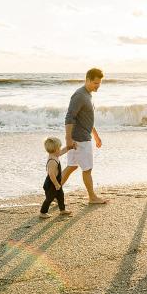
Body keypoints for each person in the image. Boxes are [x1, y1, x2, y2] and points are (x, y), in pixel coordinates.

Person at [61, 68, 107, 204]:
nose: (97, 86)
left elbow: (87, 119)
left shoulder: (88, 94)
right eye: (95, 83)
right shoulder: (80, 95)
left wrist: (96, 136)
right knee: (87, 169)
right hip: (80, 139)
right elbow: (70, 117)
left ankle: (53, 192)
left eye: (99, 83)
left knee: (72, 166)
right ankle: (92, 197)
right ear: (87, 80)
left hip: (81, 137)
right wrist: (68, 138)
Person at [40, 137, 73, 218]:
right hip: (51, 184)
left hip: (56, 182)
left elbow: (62, 152)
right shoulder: (52, 161)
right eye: (59, 148)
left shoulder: (55, 155)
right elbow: (51, 174)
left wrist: (69, 147)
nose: (60, 150)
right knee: (49, 199)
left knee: (61, 195)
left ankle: (62, 210)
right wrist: (56, 184)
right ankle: (42, 212)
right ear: (55, 150)